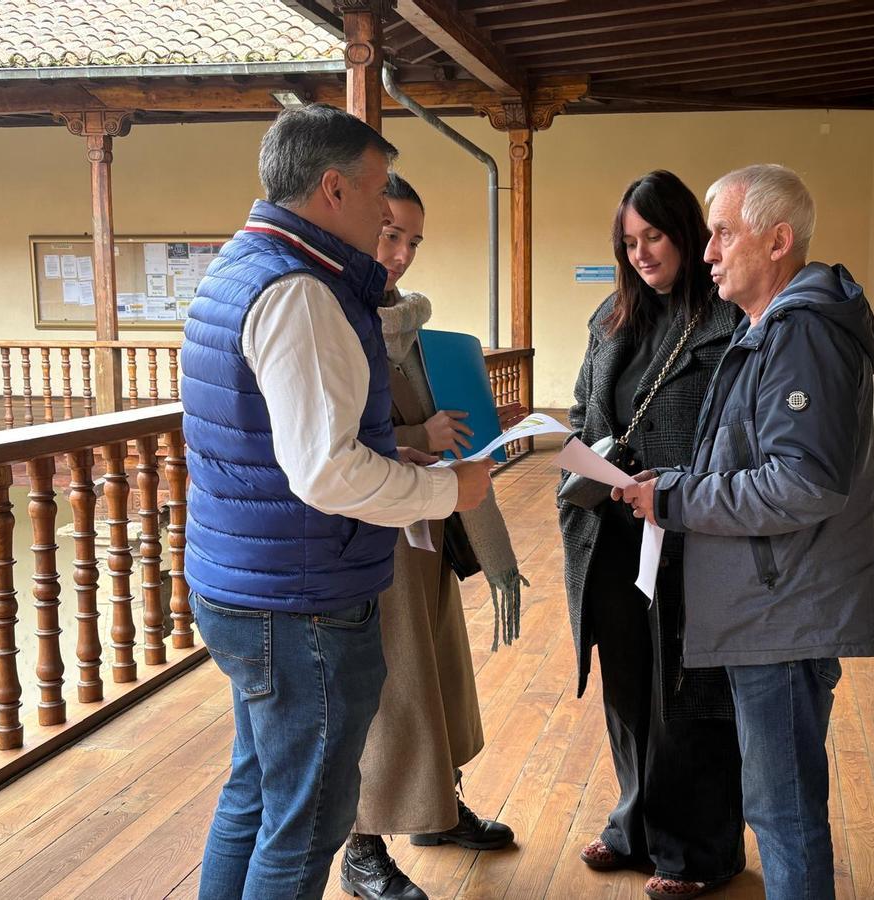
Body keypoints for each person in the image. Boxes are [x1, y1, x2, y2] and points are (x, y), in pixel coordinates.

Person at [180, 105, 494, 900]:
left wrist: (398, 454)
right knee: (308, 822)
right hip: (301, 601)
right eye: (378, 191)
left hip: (249, 582)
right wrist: (443, 486)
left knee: (255, 796)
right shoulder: (301, 294)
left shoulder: (239, 266)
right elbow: (324, 473)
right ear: (332, 190)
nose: (388, 211)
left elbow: (288, 439)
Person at [618, 164, 874, 900]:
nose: (706, 252)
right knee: (777, 802)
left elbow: (802, 483)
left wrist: (674, 499)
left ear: (778, 242)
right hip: (774, 602)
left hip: (785, 611)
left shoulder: (801, 335)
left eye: (722, 233)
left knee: (783, 810)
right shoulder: (771, 329)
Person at [558, 170, 745, 900]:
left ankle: (699, 852)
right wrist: (580, 455)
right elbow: (582, 410)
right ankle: (634, 824)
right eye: (628, 242)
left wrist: (667, 484)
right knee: (628, 688)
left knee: (691, 694)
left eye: (654, 236)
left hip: (687, 530)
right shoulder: (612, 318)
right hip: (610, 532)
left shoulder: (727, 321)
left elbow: (736, 434)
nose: (640, 253)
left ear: (687, 233)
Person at [340, 173, 522, 900]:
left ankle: (436, 811)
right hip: (367, 540)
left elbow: (429, 410)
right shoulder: (335, 317)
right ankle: (360, 848)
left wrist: (474, 420)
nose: (403, 253)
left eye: (413, 240)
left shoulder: (407, 322)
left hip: (430, 527)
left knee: (441, 673)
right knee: (387, 694)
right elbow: (334, 442)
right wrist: (421, 431)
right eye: (391, 233)